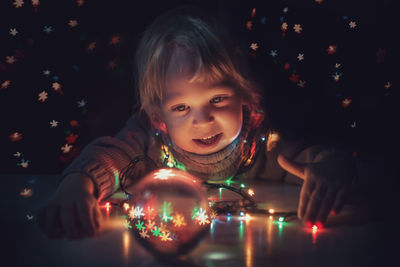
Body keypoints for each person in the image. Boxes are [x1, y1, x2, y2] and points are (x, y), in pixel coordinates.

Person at [38, 6, 360, 240]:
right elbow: (107, 156)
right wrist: (77, 185)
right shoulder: (148, 141)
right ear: (157, 117)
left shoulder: (262, 143)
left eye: (218, 99)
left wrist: (333, 168)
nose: (202, 119)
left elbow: (312, 161)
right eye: (180, 107)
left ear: (245, 97)